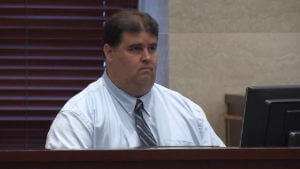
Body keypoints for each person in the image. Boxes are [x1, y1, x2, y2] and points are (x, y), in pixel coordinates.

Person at [45, 10, 225, 149]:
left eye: (152, 48)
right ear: (109, 53)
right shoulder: (79, 117)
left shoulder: (189, 113)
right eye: (136, 49)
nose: (147, 57)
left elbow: (224, 163)